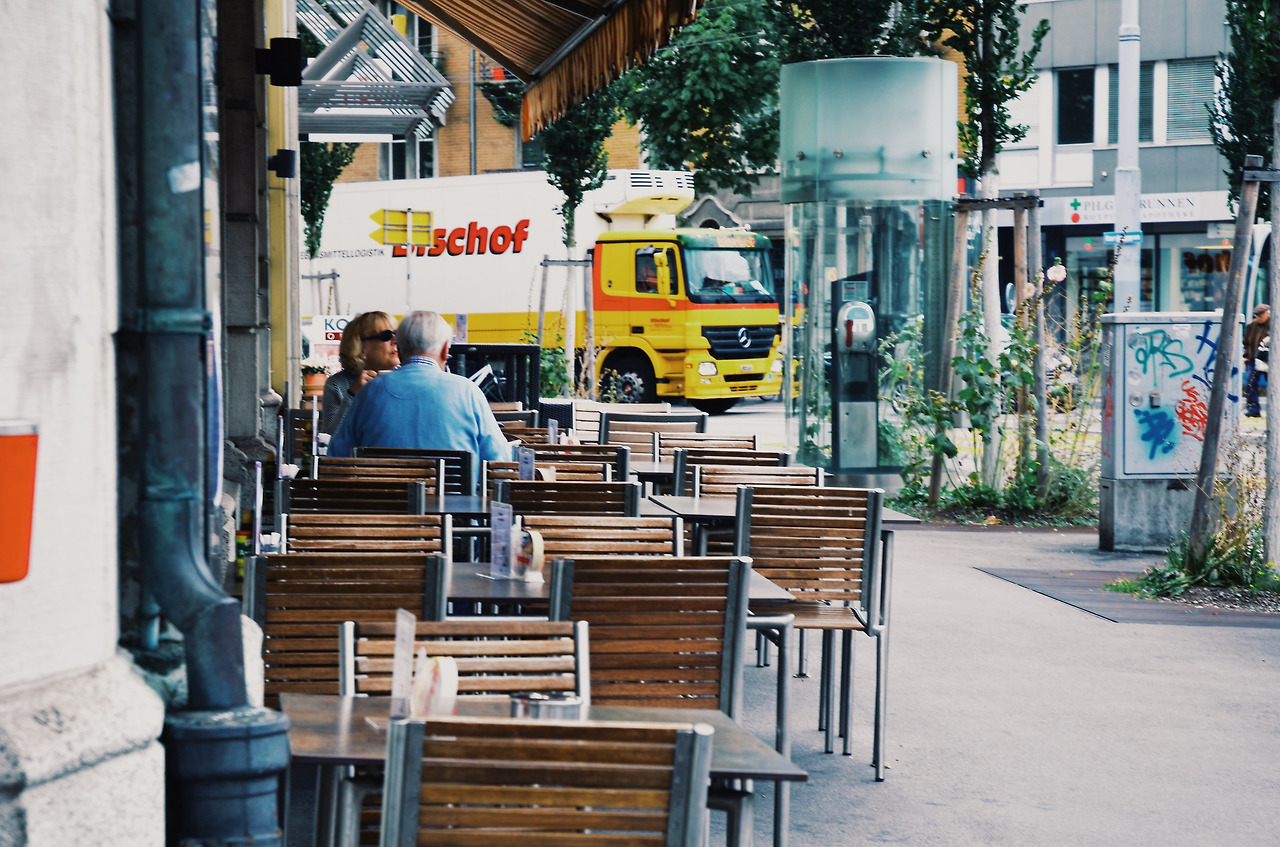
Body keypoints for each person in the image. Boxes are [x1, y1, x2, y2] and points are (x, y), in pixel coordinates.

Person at [328, 310, 512, 464]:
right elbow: (500, 463)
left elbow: (336, 459)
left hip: (385, 506)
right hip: (455, 506)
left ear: (399, 349)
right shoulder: (468, 391)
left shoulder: (368, 393)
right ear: (445, 350)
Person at [321, 311, 401, 435]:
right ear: (361, 348)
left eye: (397, 334)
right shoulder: (338, 385)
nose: (395, 341)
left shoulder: (406, 380)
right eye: (386, 336)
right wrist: (352, 395)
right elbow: (329, 438)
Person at [1243, 303, 1270, 418]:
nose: (1257, 318)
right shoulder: (1252, 326)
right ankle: (1253, 408)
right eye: (1256, 315)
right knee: (1250, 382)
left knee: (1275, 384)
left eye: (1260, 315)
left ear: (1267, 314)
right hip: (1254, 359)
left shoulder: (1273, 324)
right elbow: (1247, 343)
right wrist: (1247, 356)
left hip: (1270, 360)